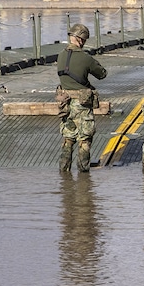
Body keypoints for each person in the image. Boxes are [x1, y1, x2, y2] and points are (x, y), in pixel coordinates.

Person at [56, 23, 107, 173]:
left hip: (65, 104)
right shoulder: (85, 58)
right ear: (81, 39)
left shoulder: (60, 55)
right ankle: (84, 177)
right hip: (82, 105)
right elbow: (102, 74)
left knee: (68, 138)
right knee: (85, 139)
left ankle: (64, 174)